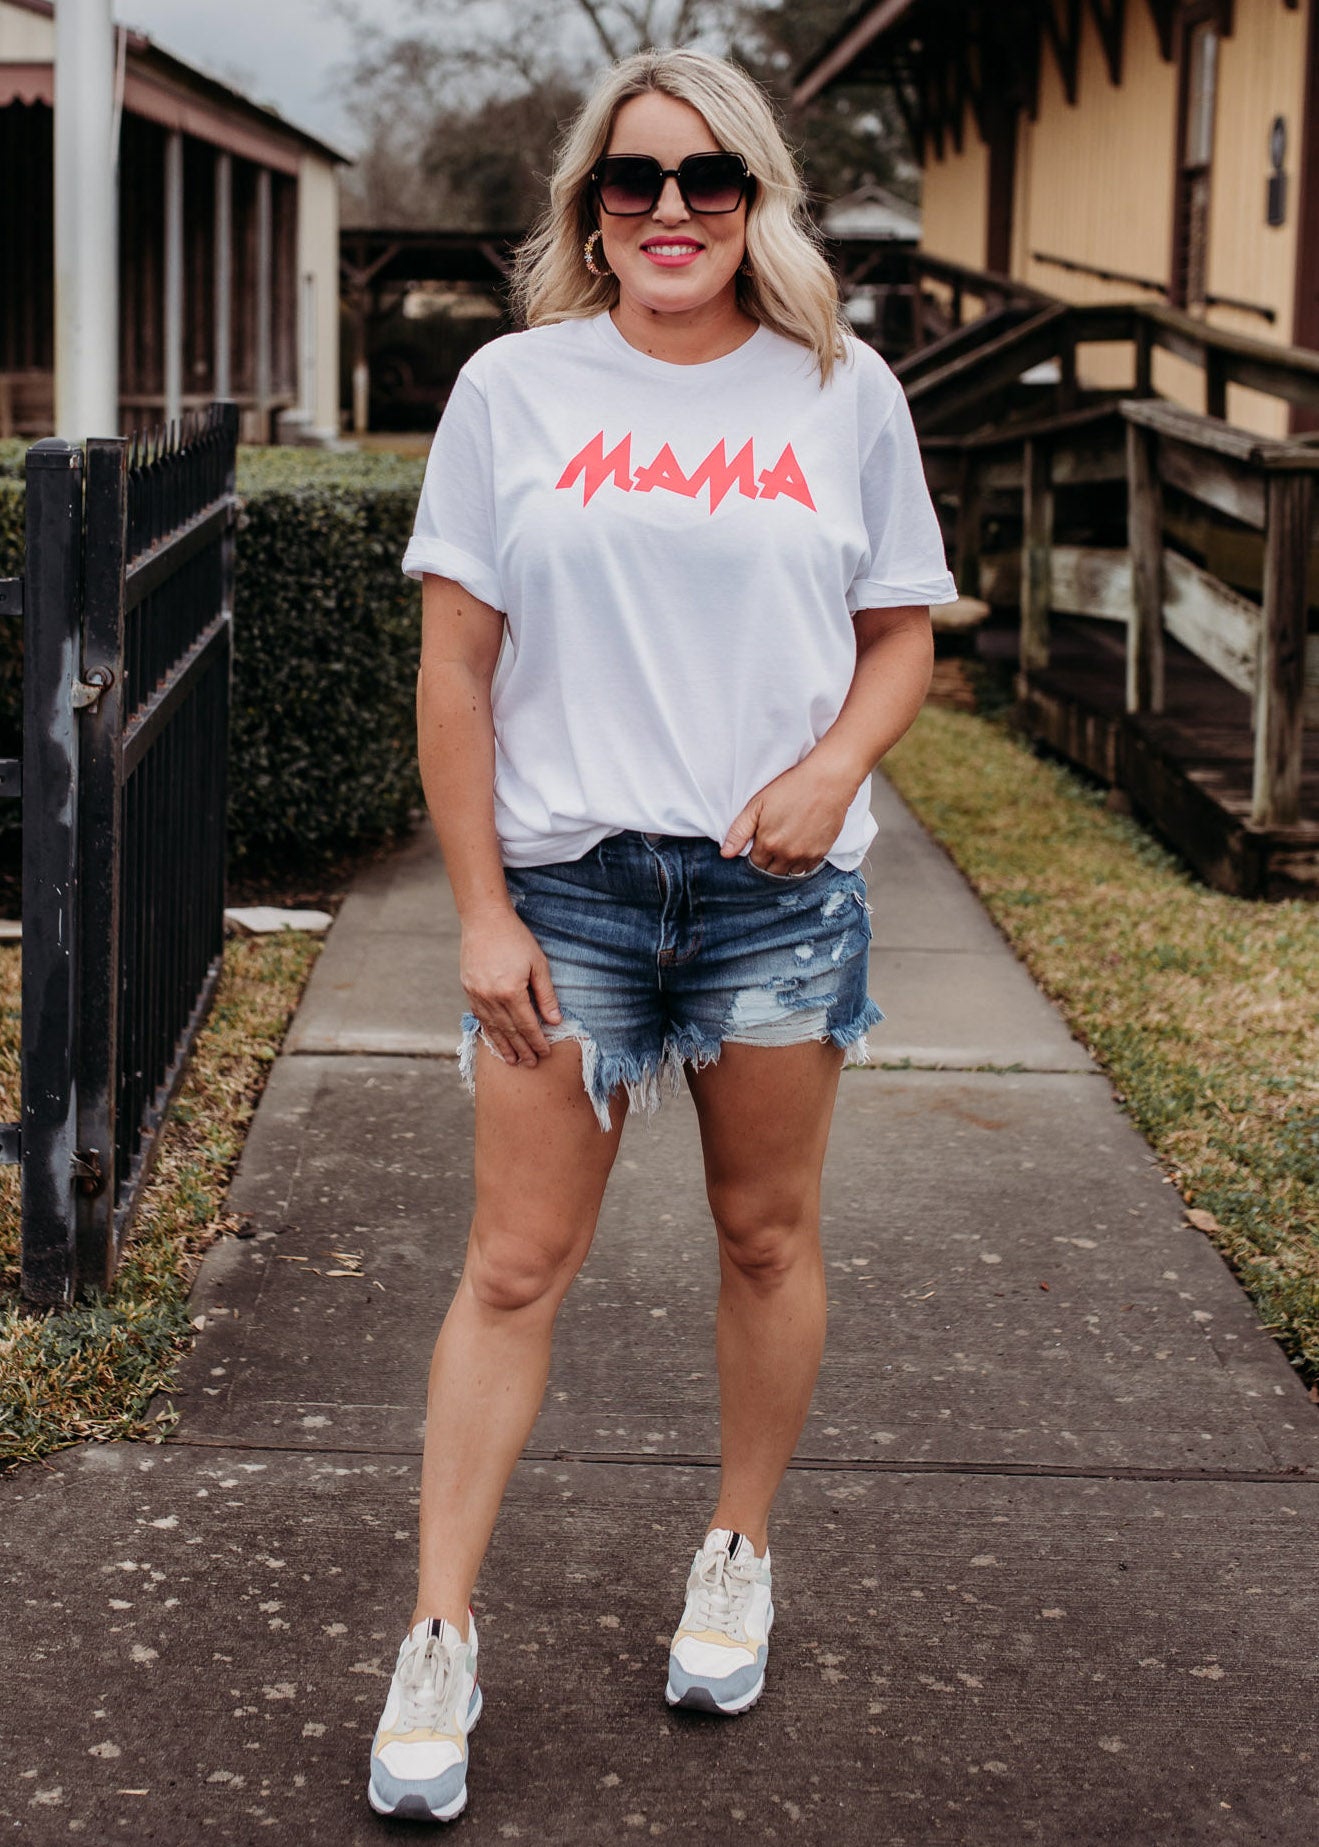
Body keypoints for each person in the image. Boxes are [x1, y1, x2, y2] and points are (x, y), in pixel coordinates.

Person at [368, 46, 957, 1824]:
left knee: (765, 1236)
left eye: (712, 179)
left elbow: (902, 631)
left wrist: (833, 768)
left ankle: (737, 1550)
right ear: (591, 208)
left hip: (775, 896)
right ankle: (438, 1633)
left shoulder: (841, 390)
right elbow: (455, 669)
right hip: (571, 895)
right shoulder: (516, 388)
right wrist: (480, 913)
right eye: (636, 180)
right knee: (512, 1266)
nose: (673, 211)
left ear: (758, 200)